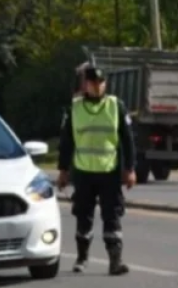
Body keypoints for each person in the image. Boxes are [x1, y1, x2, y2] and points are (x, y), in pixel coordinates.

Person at [57, 65, 137, 275]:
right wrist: (63, 171)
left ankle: (115, 261)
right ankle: (82, 258)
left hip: (109, 171)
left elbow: (128, 140)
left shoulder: (115, 106)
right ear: (86, 84)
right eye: (93, 82)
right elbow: (66, 142)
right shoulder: (74, 108)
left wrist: (130, 169)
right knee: (84, 215)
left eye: (101, 82)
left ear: (105, 84)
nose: (97, 86)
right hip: (83, 172)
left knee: (112, 216)